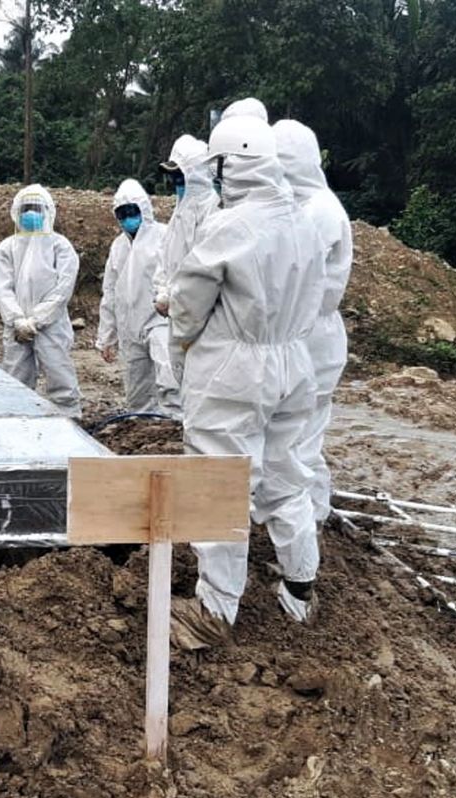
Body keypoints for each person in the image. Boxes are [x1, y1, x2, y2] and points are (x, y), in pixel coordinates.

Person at [168, 114, 326, 643]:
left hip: (234, 369)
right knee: (285, 475)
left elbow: (189, 306)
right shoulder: (303, 222)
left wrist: (181, 348)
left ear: (231, 165)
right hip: (293, 363)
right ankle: (300, 588)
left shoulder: (230, 225)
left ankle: (214, 611)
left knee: (220, 484)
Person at [274, 119, 353, 526]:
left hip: (314, 340)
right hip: (302, 335)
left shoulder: (320, 211)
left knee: (301, 444)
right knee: (293, 440)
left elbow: (293, 273)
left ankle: (311, 522)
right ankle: (305, 519)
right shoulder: (304, 207)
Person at [0, 184, 82, 418]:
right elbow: (3, 289)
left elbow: (62, 290)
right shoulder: (7, 247)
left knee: (59, 375)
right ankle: (17, 424)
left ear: (47, 211)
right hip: (17, 328)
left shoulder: (60, 246)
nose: (31, 213)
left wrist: (37, 319)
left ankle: (69, 421)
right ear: (17, 212)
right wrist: (18, 320)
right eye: (26, 208)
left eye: (36, 208)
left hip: (51, 326)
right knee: (15, 381)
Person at [95, 179, 180, 416]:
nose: (127, 218)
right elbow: (110, 292)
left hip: (160, 319)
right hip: (129, 326)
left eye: (132, 212)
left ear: (144, 209)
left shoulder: (164, 236)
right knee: (137, 386)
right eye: (121, 214)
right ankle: (143, 429)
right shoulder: (118, 246)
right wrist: (107, 337)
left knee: (168, 375)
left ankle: (175, 424)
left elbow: (178, 271)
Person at [154, 134, 220, 318]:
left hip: (202, 316)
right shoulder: (181, 211)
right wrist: (163, 292)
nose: (175, 183)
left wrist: (176, 297)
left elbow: (203, 268)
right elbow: (165, 257)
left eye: (179, 176)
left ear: (196, 175)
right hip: (179, 312)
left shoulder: (213, 211)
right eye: (172, 177)